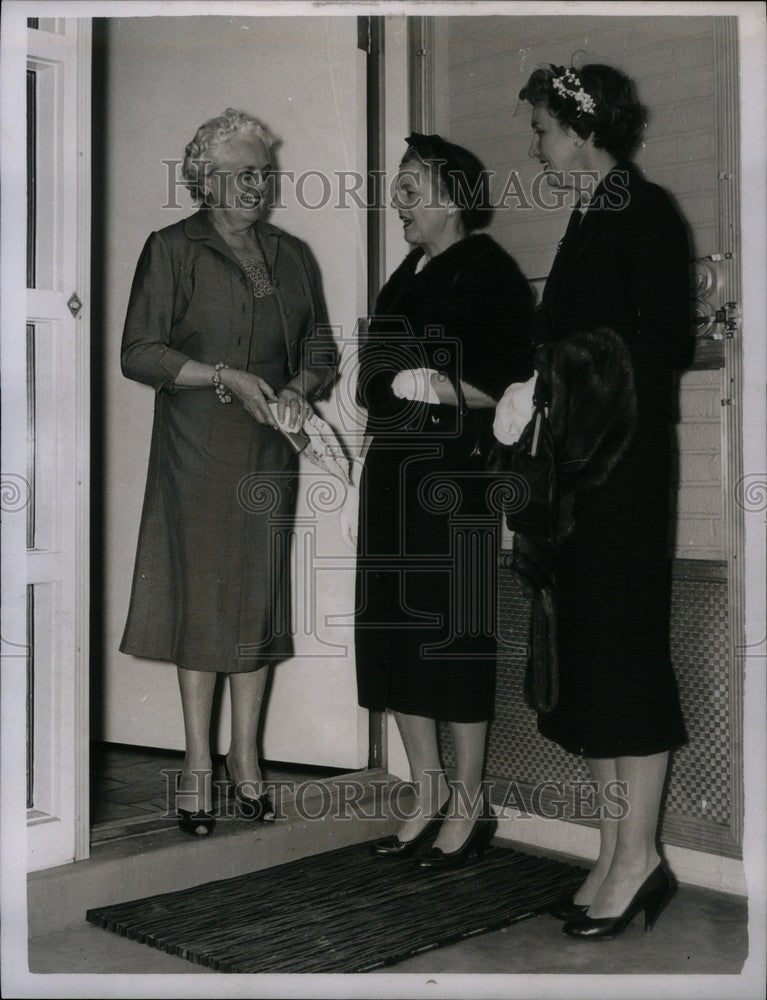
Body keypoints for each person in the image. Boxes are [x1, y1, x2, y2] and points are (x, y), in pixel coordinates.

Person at [501, 63, 692, 937]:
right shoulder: (591, 213)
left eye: (541, 129)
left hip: (621, 476)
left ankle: (639, 856)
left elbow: (655, 350)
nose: (535, 145)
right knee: (592, 666)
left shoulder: (643, 213)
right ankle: (614, 850)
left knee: (626, 666)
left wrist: (551, 373)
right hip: (582, 478)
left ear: (582, 131)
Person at [120, 108, 336, 836]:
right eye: (242, 174)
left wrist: (300, 390)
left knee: (254, 600)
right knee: (201, 600)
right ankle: (194, 764)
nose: (256, 186)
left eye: (263, 174)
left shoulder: (292, 253)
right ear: (205, 180)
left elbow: (320, 349)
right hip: (198, 449)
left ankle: (245, 757)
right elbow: (138, 352)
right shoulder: (172, 249)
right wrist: (221, 375)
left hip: (269, 450)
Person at [349, 133, 534, 868]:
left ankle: (468, 802)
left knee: (451, 639)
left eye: (408, 189)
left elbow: (506, 379)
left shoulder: (489, 273)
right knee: (396, 635)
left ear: (451, 197)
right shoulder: (406, 275)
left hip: (454, 481)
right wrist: (386, 386)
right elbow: (373, 376)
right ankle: (424, 793)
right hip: (394, 475)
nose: (396, 202)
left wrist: (432, 385)